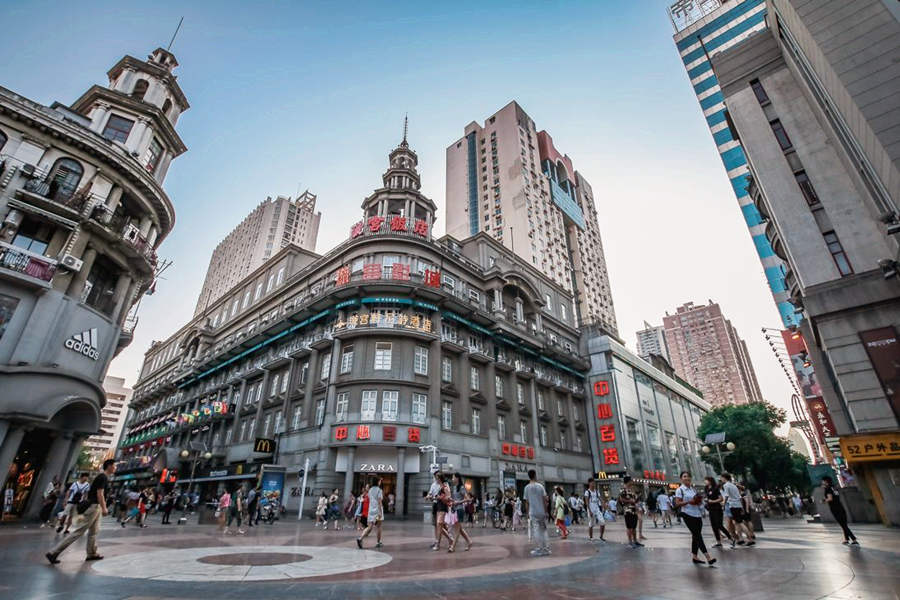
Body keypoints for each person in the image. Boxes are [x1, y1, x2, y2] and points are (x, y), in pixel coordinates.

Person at [46, 459, 116, 565]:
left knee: (94, 531)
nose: (115, 468)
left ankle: (92, 553)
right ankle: (54, 552)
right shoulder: (102, 477)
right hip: (94, 506)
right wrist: (104, 508)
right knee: (79, 531)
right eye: (114, 466)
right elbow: (100, 494)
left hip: (95, 507)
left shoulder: (103, 477)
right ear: (109, 466)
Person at [674, 471, 716, 566]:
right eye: (684, 476)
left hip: (697, 514)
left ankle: (695, 557)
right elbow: (677, 503)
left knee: (695, 536)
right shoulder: (680, 490)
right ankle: (708, 557)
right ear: (681, 479)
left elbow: (697, 501)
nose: (687, 478)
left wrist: (700, 503)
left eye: (688, 476)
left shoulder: (693, 489)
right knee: (698, 536)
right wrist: (689, 501)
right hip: (687, 514)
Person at [719, 472, 754, 546]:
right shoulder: (733, 485)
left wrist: (724, 504)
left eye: (721, 477)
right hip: (738, 505)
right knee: (737, 523)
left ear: (724, 478)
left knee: (740, 522)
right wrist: (741, 507)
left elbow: (726, 496)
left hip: (733, 505)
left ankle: (750, 538)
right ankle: (740, 539)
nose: (720, 479)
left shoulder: (726, 485)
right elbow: (739, 496)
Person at [821, 476, 858, 545]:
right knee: (844, 524)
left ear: (826, 481)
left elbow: (830, 498)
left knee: (843, 525)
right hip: (840, 506)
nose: (822, 482)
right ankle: (846, 539)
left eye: (823, 481)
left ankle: (854, 539)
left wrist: (823, 500)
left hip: (835, 508)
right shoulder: (834, 488)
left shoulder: (828, 489)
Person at [524, 469, 550, 556]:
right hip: (541, 511)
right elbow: (545, 500)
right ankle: (546, 548)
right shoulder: (540, 486)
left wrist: (527, 513)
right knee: (544, 530)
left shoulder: (526, 488)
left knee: (536, 530)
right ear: (535, 475)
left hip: (533, 512)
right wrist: (546, 511)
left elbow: (527, 502)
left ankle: (539, 548)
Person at [704, 476, 732, 547]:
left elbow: (721, 499)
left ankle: (731, 538)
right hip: (710, 509)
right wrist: (706, 500)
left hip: (717, 509)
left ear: (710, 481)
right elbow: (708, 497)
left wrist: (712, 501)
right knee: (714, 526)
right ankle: (718, 542)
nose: (705, 482)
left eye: (706, 480)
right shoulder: (706, 488)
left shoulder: (715, 488)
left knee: (719, 525)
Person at [447, 473, 473, 552]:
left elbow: (468, 499)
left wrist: (458, 502)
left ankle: (453, 547)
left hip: (459, 510)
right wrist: (450, 500)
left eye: (453, 477)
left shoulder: (461, 487)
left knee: (457, 530)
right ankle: (469, 541)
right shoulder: (455, 487)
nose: (452, 479)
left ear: (457, 478)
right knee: (459, 529)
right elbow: (455, 500)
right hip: (455, 510)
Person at [357, 476, 384, 549]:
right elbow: (379, 502)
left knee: (369, 526)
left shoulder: (370, 490)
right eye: (379, 481)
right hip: (377, 510)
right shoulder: (379, 490)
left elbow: (369, 498)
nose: (380, 482)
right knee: (378, 527)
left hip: (371, 510)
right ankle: (378, 542)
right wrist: (380, 512)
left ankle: (360, 538)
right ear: (377, 482)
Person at [426, 472, 451, 548]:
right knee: (436, 525)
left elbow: (448, 496)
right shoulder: (433, 485)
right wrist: (428, 496)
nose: (436, 478)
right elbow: (430, 493)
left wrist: (440, 497)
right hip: (435, 505)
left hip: (442, 505)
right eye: (435, 477)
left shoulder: (445, 485)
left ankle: (440, 542)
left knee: (440, 524)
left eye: (437, 477)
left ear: (440, 477)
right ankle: (438, 540)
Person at [618, 477, 642, 548]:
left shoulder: (631, 490)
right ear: (628, 482)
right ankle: (630, 542)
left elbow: (634, 500)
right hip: (628, 510)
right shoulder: (623, 489)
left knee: (634, 527)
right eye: (631, 481)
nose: (632, 482)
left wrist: (636, 501)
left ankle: (635, 541)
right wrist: (629, 501)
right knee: (629, 527)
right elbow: (621, 499)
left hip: (634, 510)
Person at [584, 478, 606, 542]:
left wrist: (604, 504)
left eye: (594, 482)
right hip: (591, 509)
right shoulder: (587, 492)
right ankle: (591, 537)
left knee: (602, 522)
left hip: (597, 508)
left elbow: (600, 499)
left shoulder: (596, 491)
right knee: (591, 524)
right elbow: (587, 502)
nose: (593, 484)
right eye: (592, 482)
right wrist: (589, 511)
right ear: (589, 483)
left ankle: (601, 536)